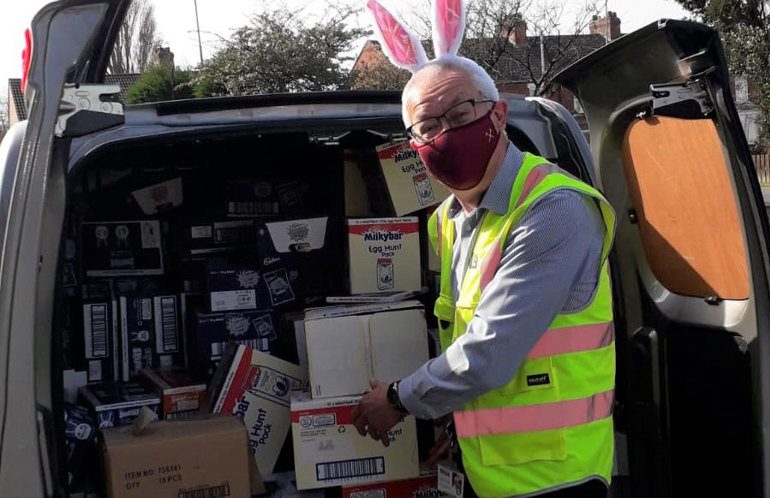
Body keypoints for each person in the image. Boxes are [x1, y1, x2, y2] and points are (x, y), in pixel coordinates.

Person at [351, 2, 617, 497]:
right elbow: (461, 338)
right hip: (486, 470)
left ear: (497, 113)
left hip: (557, 478)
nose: (444, 133)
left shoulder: (553, 209)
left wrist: (398, 399)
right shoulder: (448, 222)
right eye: (427, 127)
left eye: (459, 113)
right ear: (414, 146)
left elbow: (488, 353)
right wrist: (451, 419)